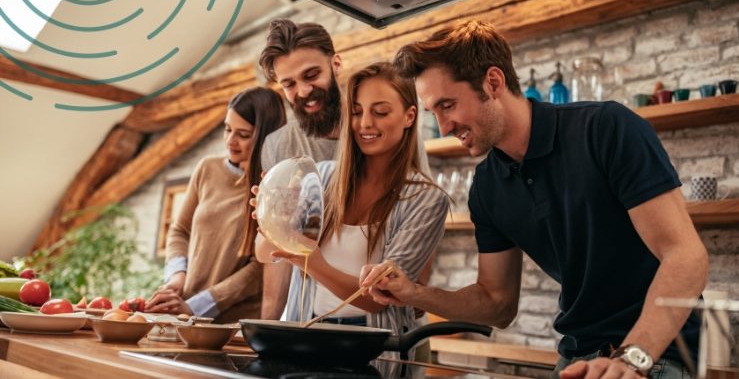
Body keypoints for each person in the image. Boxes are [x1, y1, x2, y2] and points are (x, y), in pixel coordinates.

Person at [361, 20, 708, 379]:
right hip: (578, 354)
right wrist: (414, 293)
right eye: (434, 111)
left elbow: (686, 256)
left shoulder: (605, 128)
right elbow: (497, 304)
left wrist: (630, 358)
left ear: (492, 82)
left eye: (447, 105)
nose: (444, 126)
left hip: (656, 352)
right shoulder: (487, 186)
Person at [255, 62, 448, 350]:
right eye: (356, 112)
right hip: (305, 338)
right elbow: (263, 253)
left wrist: (313, 263)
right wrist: (274, 216)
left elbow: (378, 298)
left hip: (375, 349)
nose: (365, 123)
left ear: (410, 116)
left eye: (380, 112)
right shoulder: (320, 176)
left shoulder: (426, 200)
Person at [146, 87, 286, 323]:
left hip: (232, 326)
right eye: (227, 129)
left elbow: (259, 268)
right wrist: (176, 278)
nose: (230, 141)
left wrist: (197, 306)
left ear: (266, 136)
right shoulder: (207, 169)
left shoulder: (275, 188)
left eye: (243, 134)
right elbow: (180, 231)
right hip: (184, 313)